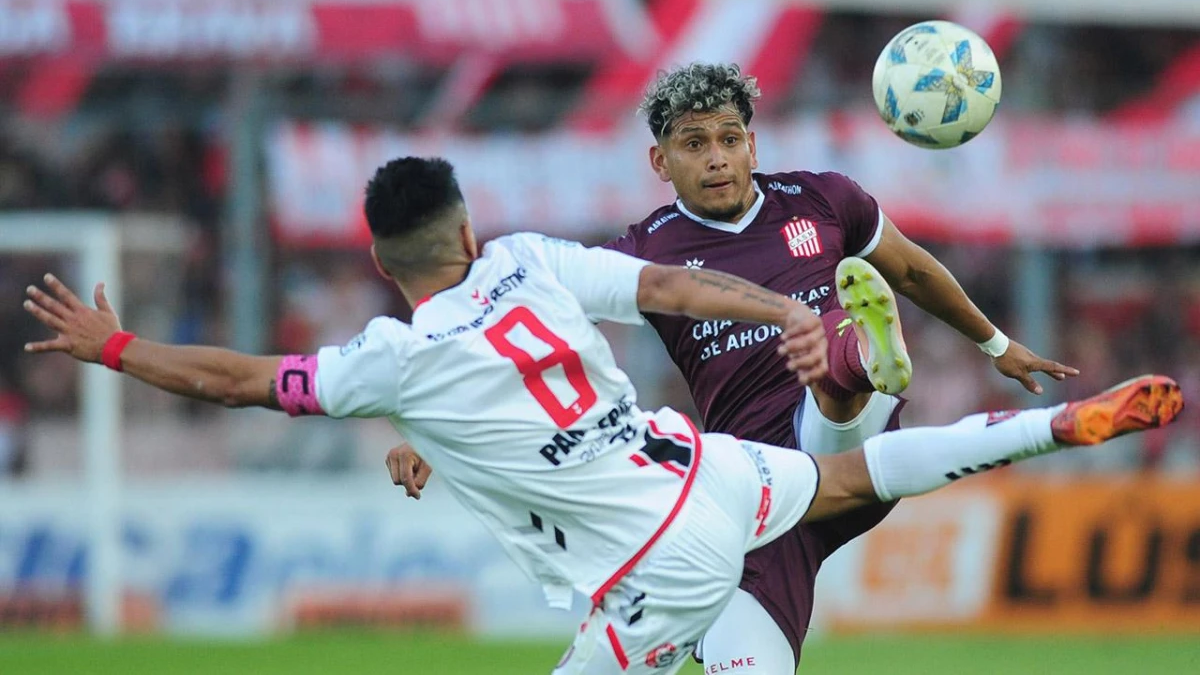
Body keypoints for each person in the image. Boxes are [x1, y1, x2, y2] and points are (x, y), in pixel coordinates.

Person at [23, 157, 1182, 675]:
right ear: (468, 234)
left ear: (379, 263)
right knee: (852, 475)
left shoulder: (389, 359)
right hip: (707, 468)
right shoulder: (529, 260)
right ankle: (1052, 424)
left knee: (840, 488)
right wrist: (783, 307)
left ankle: (903, 398)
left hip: (649, 559)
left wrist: (113, 346)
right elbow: (676, 287)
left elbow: (237, 379)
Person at [387, 63, 1082, 671]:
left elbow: (912, 271)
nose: (716, 158)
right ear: (661, 162)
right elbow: (522, 339)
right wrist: (430, 435)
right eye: (694, 145)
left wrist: (996, 345)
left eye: (728, 140)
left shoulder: (823, 201)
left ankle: (859, 357)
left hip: (842, 445)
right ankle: (854, 355)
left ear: (752, 142)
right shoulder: (642, 253)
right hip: (752, 500)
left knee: (831, 356)